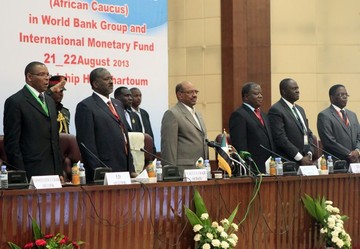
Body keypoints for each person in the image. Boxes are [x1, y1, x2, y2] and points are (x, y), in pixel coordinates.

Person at [3, 61, 63, 180]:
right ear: (29, 77)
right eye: (42, 74)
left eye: (48, 75)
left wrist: (59, 172)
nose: (47, 79)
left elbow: (54, 140)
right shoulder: (15, 102)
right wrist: (21, 174)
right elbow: (12, 143)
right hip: (30, 171)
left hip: (53, 173)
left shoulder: (50, 101)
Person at [75, 68, 136, 181]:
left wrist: (131, 168)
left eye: (111, 78)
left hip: (124, 169)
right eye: (106, 79)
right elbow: (87, 144)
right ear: (96, 84)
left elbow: (124, 137)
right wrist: (98, 172)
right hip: (104, 170)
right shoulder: (86, 106)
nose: (111, 81)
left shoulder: (118, 104)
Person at [161, 81, 208, 174]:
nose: (195, 95)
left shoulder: (198, 114)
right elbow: (169, 147)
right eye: (190, 92)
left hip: (201, 169)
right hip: (183, 170)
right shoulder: (172, 114)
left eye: (196, 92)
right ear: (180, 95)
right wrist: (170, 173)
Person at [229, 82, 274, 174]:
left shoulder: (264, 115)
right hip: (253, 168)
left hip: (269, 166)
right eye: (256, 94)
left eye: (261, 93)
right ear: (246, 97)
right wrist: (247, 167)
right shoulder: (239, 115)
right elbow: (240, 145)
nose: (260, 96)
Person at [268, 78, 314, 166]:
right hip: (289, 162)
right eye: (293, 89)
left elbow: (308, 133)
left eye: (297, 88)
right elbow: (280, 138)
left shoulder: (300, 110)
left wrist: (309, 153)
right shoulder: (276, 110)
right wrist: (300, 157)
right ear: (284, 91)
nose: (297, 91)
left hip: (306, 160)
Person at [317, 84, 360, 164]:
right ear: (331, 97)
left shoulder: (352, 115)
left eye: (346, 95)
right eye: (341, 94)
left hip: (356, 162)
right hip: (336, 162)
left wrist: (357, 151)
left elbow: (359, 136)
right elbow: (329, 141)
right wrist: (349, 154)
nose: (345, 97)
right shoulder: (324, 115)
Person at [130, 87, 156, 153]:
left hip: (147, 147)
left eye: (140, 96)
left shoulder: (144, 113)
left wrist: (153, 148)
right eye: (136, 96)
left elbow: (150, 132)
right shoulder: (128, 113)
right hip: (135, 148)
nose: (139, 98)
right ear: (130, 97)